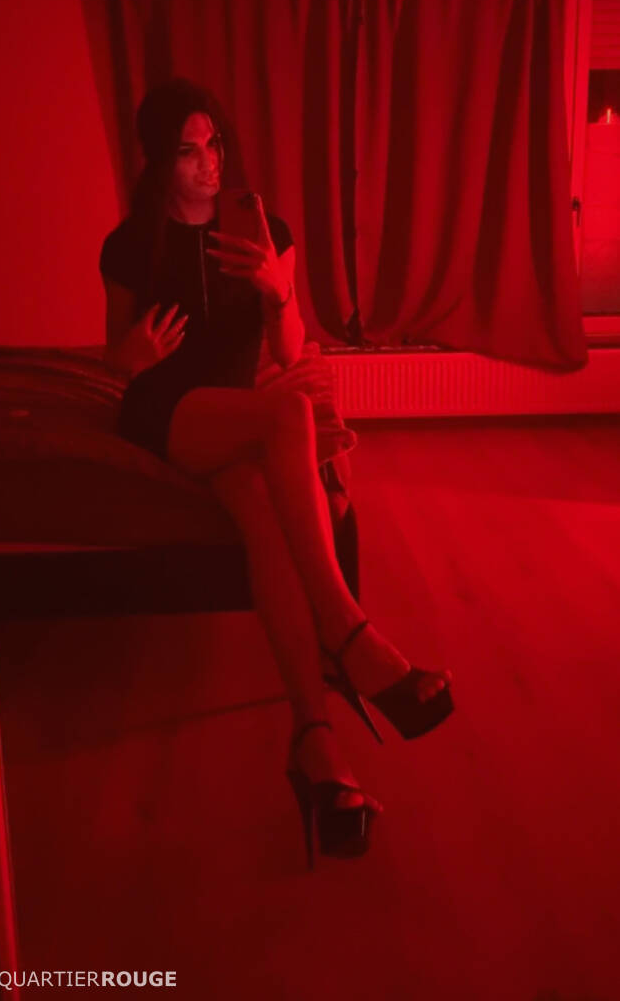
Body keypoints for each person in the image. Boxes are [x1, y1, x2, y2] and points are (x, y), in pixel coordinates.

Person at [99, 79, 453, 868]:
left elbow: (289, 351)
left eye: (214, 144)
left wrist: (276, 291)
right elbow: (115, 358)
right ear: (158, 160)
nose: (208, 164)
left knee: (263, 511)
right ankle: (349, 632)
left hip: (236, 416)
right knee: (288, 413)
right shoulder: (130, 244)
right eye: (187, 151)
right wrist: (131, 355)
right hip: (167, 412)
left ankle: (314, 741)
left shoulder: (268, 231)